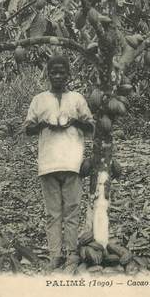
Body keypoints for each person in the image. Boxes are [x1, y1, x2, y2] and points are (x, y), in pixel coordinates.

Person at [24, 54, 94, 272]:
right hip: (48, 164)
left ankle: (72, 253)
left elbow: (92, 126)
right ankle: (55, 255)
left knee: (72, 211)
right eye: (53, 72)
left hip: (73, 163)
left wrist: (76, 121)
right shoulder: (39, 100)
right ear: (48, 74)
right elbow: (27, 128)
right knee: (53, 213)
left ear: (68, 74)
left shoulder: (77, 99)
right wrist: (43, 124)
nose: (57, 76)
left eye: (61, 72)